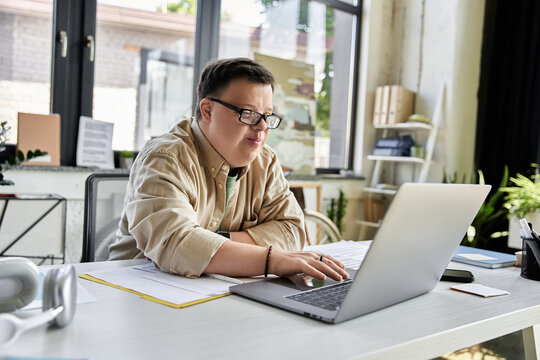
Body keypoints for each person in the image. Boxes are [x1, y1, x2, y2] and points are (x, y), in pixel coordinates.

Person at [108, 57, 348, 282]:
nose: (263, 127)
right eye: (250, 113)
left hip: (215, 286)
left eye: (267, 115)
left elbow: (293, 229)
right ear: (208, 110)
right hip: (139, 286)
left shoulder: (265, 161)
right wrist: (271, 259)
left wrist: (213, 244)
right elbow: (176, 243)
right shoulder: (165, 157)